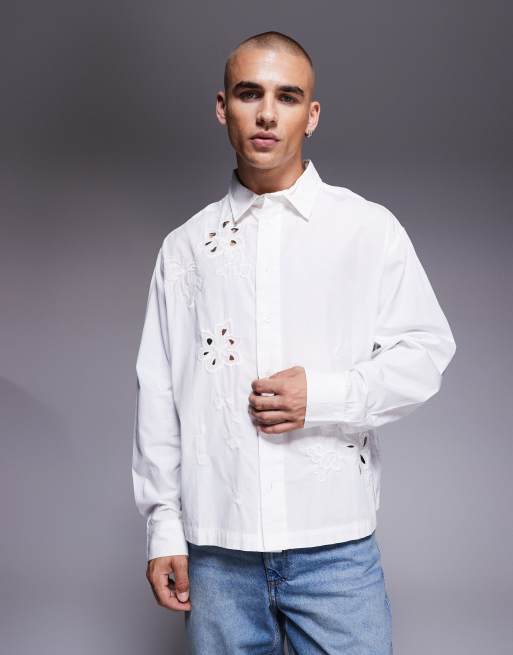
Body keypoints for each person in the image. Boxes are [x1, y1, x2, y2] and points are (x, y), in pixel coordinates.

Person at [132, 30, 456, 654]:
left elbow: (425, 353)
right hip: (217, 554)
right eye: (249, 93)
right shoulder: (185, 249)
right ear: (223, 107)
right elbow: (159, 393)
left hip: (335, 548)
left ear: (311, 115)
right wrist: (164, 528)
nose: (266, 114)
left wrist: (325, 396)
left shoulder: (366, 229)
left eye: (287, 97)